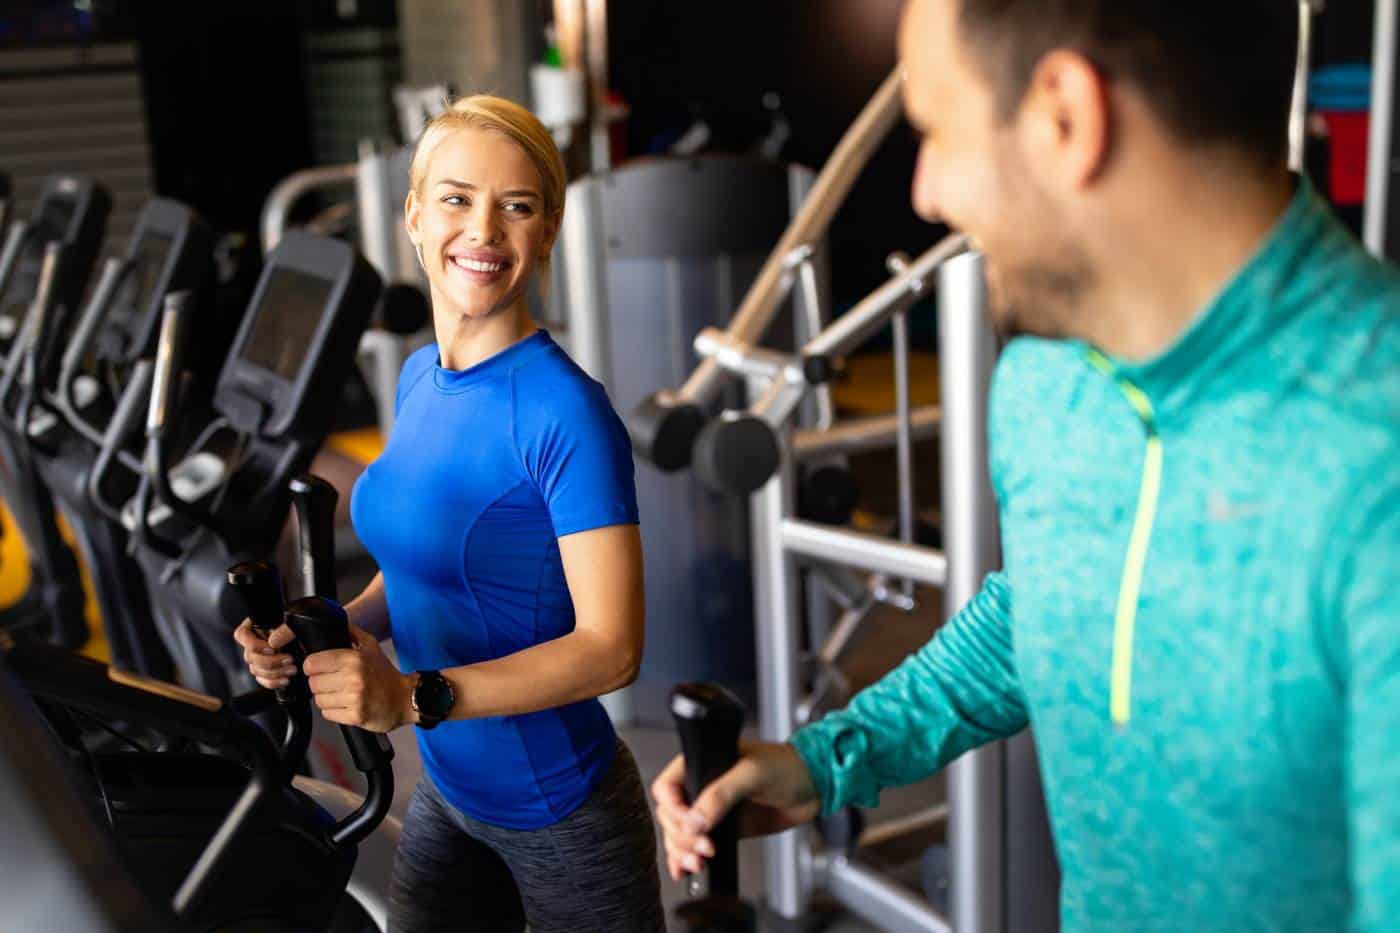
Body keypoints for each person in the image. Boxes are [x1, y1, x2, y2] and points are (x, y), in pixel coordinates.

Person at [652, 1, 1400, 930]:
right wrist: (828, 756)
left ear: (1065, 119)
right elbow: (1043, 601)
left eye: (934, 130)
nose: (925, 192)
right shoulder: (1050, 375)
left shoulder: (1375, 467)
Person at [235, 95, 666, 933]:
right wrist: (327, 628)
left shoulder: (566, 413)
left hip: (563, 811)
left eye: (518, 206)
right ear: (414, 214)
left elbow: (613, 650)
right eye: (458, 198)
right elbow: (427, 567)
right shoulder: (422, 378)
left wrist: (413, 696)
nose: (485, 231)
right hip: (451, 788)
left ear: (546, 233)